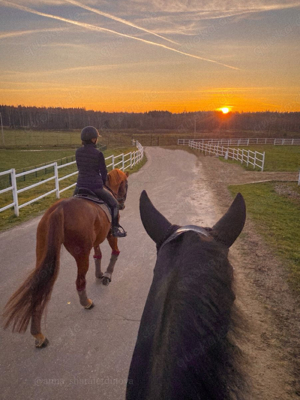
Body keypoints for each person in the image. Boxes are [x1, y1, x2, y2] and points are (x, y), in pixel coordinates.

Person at [74, 126, 127, 238]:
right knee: (114, 205)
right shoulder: (98, 153)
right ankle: (115, 228)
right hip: (95, 187)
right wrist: (103, 183)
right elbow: (103, 172)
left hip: (80, 186)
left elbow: (80, 168)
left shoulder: (78, 152)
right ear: (94, 139)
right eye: (96, 138)